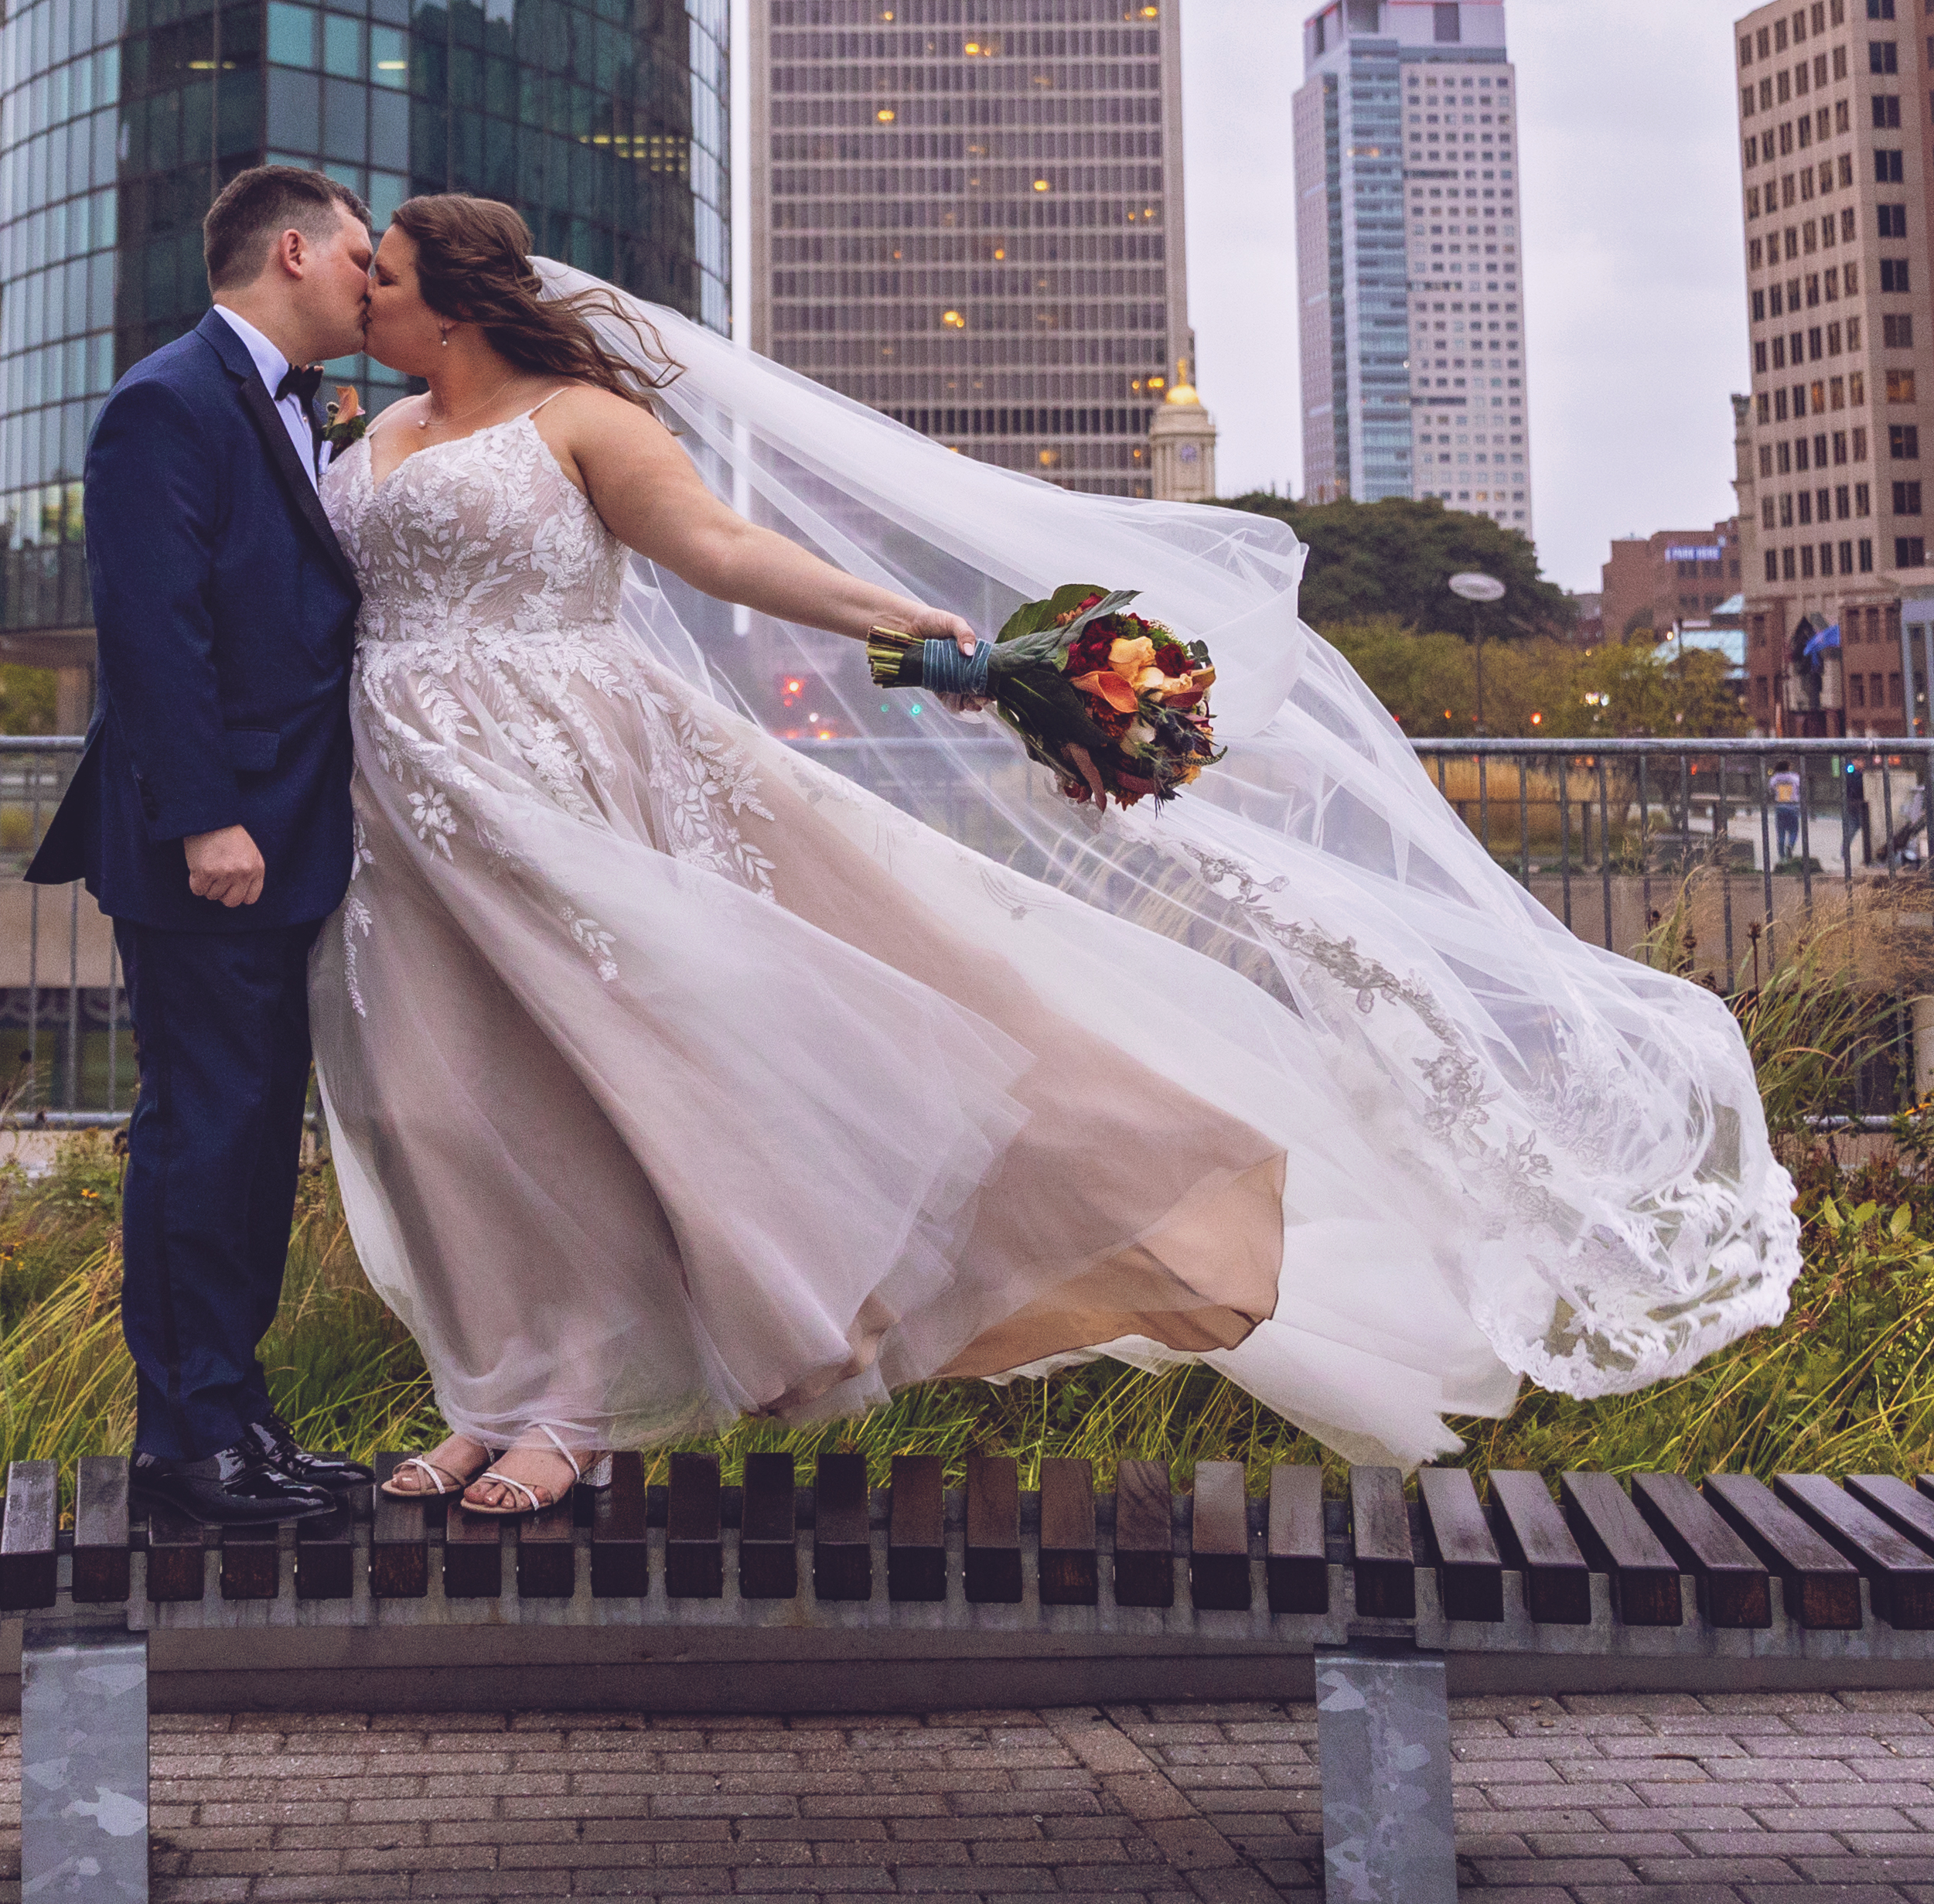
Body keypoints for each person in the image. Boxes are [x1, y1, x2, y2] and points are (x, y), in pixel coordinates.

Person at [317, 195, 1801, 1515]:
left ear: (454, 295)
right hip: (398, 804)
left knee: (622, 1093)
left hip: (573, 778)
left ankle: (575, 1414)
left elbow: (723, 555)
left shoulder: (579, 420)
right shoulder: (368, 435)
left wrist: (929, 639)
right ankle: (494, 1396)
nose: (361, 297)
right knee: (444, 1110)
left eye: (379, 274)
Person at [26, 165, 384, 1534]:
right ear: (292, 251)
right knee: (203, 1135)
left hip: (285, 833)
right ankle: (187, 1446)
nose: (371, 279)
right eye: (359, 254)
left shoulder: (292, 409)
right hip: (213, 845)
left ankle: (235, 1420)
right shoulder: (164, 403)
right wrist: (205, 817)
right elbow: (151, 630)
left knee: (247, 1139)